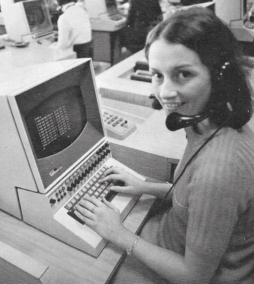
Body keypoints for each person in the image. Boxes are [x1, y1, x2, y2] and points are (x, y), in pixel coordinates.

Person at [74, 7, 254, 284]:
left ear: (220, 76)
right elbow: (196, 199)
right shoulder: (212, 124)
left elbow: (194, 277)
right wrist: (146, 186)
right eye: (158, 75)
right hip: (173, 237)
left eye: (183, 74)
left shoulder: (219, 170)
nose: (165, 92)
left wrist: (120, 235)